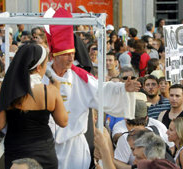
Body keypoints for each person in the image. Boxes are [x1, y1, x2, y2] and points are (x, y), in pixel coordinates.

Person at [43, 7, 141, 169]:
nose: (71, 58)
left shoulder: (80, 77)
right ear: (55, 55)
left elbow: (102, 90)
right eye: (66, 54)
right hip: (47, 145)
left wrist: (123, 88)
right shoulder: (42, 75)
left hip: (74, 146)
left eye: (72, 54)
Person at [0, 43, 68, 169]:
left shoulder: (6, 90)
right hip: (44, 154)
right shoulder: (50, 91)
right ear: (39, 68)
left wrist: (1, 91)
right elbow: (63, 121)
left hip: (16, 154)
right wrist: (56, 91)